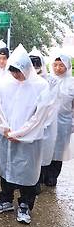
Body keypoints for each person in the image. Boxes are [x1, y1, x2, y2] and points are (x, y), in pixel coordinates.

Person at [0, 44, 54, 225]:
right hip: (7, 135)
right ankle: (6, 199)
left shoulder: (40, 86)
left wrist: (20, 132)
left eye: (19, 71)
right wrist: (5, 129)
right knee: (6, 167)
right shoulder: (4, 82)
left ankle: (25, 204)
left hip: (28, 139)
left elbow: (39, 115)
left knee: (27, 172)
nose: (16, 75)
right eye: (13, 71)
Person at [41, 53, 74, 186]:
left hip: (64, 121)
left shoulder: (71, 82)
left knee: (58, 150)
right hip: (47, 121)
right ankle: (42, 175)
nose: (58, 68)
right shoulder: (47, 80)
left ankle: (52, 176)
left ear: (67, 67)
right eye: (55, 65)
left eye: (61, 65)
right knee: (45, 147)